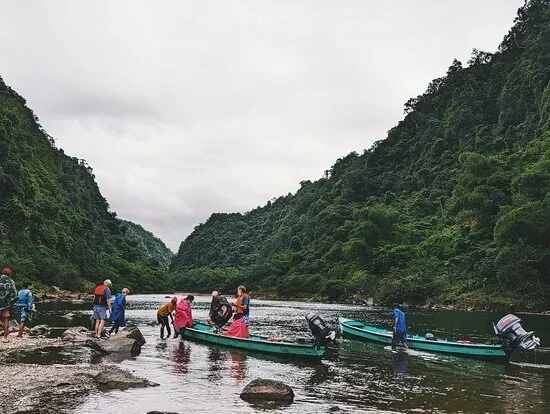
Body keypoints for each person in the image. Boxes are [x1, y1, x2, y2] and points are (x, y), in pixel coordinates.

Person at [0, 268, 17, 343]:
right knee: (6, 320)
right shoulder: (11, 281)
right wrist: (11, 302)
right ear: (9, 274)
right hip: (6, 304)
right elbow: (14, 293)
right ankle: (5, 338)